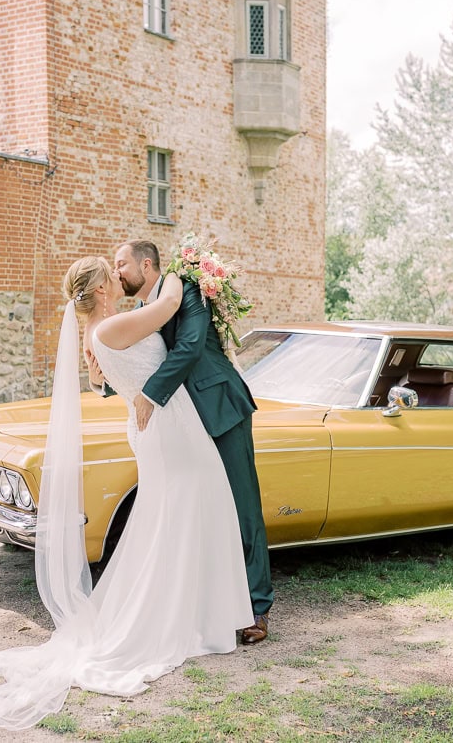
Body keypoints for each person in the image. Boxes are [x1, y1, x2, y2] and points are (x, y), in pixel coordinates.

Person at [0, 256, 252, 731]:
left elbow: (107, 378)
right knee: (188, 512)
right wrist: (189, 268)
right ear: (100, 290)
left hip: (164, 427)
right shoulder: (112, 329)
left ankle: (200, 614)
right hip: (168, 430)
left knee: (178, 517)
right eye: (112, 273)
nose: (119, 278)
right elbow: (168, 305)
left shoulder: (95, 336)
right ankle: (188, 619)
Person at [99, 240, 275, 645]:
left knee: (240, 506)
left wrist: (150, 394)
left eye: (122, 264)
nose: (118, 272)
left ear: (147, 264)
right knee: (200, 507)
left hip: (219, 406)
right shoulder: (142, 312)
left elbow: (190, 346)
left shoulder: (186, 288)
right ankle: (213, 600)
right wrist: (104, 382)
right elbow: (141, 361)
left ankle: (257, 607)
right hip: (181, 422)